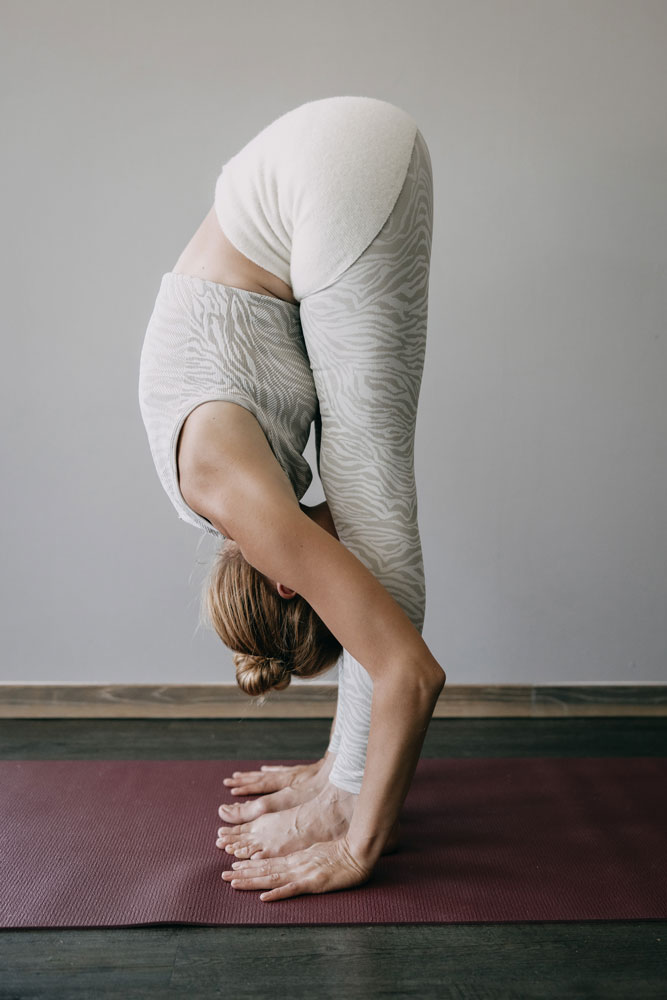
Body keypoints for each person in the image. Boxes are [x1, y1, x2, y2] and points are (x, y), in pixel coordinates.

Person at [138, 95, 446, 903]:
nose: (330, 567)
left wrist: (357, 846)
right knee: (371, 517)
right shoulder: (214, 488)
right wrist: (323, 765)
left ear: (286, 580)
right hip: (316, 166)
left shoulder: (251, 508)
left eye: (326, 587)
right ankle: (338, 772)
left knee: (379, 543)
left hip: (328, 178)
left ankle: (350, 790)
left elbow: (409, 672)